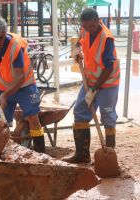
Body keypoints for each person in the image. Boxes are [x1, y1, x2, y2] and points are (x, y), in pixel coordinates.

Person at [63, 8, 120, 163]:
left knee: (107, 116)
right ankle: (82, 155)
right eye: (86, 27)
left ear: (98, 20)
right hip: (90, 79)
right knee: (80, 111)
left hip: (107, 82)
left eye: (91, 27)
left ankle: (109, 156)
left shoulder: (106, 38)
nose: (89, 30)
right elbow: (79, 41)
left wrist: (94, 90)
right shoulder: (85, 28)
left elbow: (108, 67)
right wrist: (76, 51)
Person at [0, 17, 45, 153]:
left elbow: (20, 77)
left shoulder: (15, 46)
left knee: (33, 118)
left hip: (25, 85)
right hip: (3, 84)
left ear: (5, 33)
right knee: (1, 123)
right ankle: (1, 154)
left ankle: (41, 153)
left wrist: (5, 95)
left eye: (1, 37)